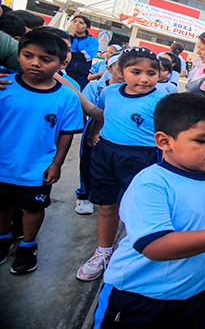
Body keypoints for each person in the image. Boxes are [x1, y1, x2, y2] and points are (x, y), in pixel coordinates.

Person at [92, 93, 205, 328]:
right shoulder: (152, 184)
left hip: (196, 292)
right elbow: (155, 246)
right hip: (140, 297)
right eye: (202, 140)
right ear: (164, 141)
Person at [76, 47, 168, 282]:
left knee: (138, 209)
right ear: (120, 71)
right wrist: (94, 133)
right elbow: (102, 115)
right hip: (105, 154)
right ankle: (104, 251)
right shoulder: (110, 92)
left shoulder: (162, 100)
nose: (144, 79)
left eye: (151, 73)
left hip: (143, 158)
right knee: (107, 206)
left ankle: (137, 253)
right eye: (135, 72)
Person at [0, 30, 83, 274]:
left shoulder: (67, 96)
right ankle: (3, 238)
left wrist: (57, 163)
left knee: (33, 208)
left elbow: (67, 133)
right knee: (2, 205)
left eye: (45, 59)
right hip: (3, 164)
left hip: (37, 166)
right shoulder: (5, 85)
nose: (35, 63)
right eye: (28, 55)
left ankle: (28, 244)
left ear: (61, 63)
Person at [74, 53, 124, 215]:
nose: (124, 72)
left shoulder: (134, 90)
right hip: (96, 129)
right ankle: (84, 195)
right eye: (119, 67)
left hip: (118, 134)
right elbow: (89, 111)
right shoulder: (96, 87)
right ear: (109, 68)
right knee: (88, 162)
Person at [67, 15, 99, 89]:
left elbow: (87, 56)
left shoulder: (93, 41)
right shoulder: (65, 35)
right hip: (65, 71)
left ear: (87, 27)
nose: (77, 24)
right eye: (74, 21)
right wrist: (70, 36)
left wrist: (70, 52)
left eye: (81, 23)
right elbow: (62, 49)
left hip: (82, 75)